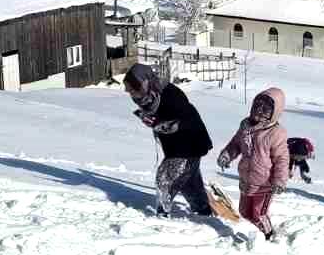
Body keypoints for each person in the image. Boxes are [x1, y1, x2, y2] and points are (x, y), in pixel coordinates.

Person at [123, 62, 213, 217]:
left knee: (165, 178)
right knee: (189, 184)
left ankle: (162, 217)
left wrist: (163, 125)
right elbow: (158, 117)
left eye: (134, 89)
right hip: (175, 146)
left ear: (146, 83)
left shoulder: (171, 94)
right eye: (129, 90)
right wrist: (149, 119)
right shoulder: (148, 98)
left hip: (189, 144)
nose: (131, 93)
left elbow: (187, 119)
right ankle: (204, 214)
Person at [217, 88, 290, 242]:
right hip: (246, 179)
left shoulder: (276, 133)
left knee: (258, 214)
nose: (259, 111)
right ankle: (262, 231)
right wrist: (226, 155)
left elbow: (282, 159)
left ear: (274, 112)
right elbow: (236, 144)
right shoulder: (245, 126)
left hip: (265, 184)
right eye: (257, 106)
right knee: (244, 212)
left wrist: (279, 181)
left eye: (265, 109)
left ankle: (270, 236)